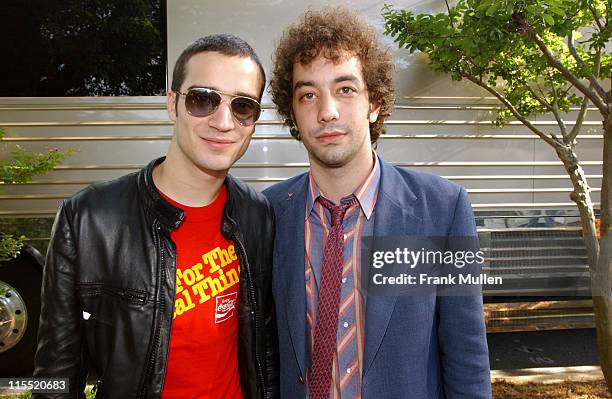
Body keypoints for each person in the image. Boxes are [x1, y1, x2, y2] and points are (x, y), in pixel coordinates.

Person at [33, 34, 278, 399]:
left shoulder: (259, 216)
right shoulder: (88, 218)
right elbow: (54, 376)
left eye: (242, 106)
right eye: (202, 99)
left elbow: (266, 354)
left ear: (254, 121)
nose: (224, 121)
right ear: (172, 104)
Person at [264, 7, 491, 399]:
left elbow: (467, 358)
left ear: (374, 103)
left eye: (345, 89)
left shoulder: (443, 209)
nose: (327, 111)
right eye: (308, 94)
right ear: (293, 113)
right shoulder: (267, 214)